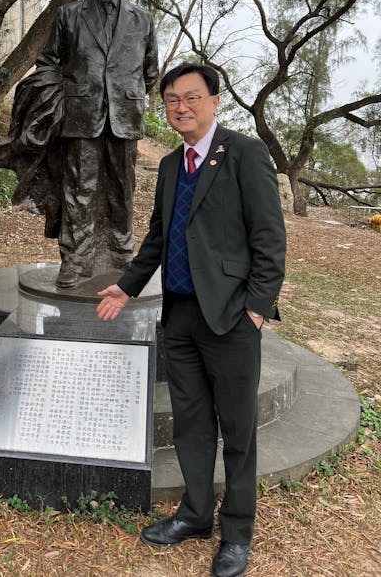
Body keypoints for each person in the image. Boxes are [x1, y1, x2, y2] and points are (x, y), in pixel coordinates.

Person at [96, 63, 285, 577]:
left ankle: (237, 532)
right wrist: (129, 283)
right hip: (178, 318)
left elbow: (269, 240)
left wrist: (255, 308)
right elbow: (159, 236)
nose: (181, 106)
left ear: (215, 100)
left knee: (238, 431)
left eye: (191, 96)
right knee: (192, 425)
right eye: (172, 100)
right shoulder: (171, 165)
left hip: (230, 320)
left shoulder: (244, 154)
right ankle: (196, 515)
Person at [0, 0, 158, 287]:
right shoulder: (69, 15)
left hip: (125, 117)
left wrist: (127, 95)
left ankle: (121, 255)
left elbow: (150, 71)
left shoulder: (143, 19)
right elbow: (48, 61)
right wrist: (61, 96)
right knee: (79, 190)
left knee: (121, 189)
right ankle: (77, 258)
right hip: (80, 115)